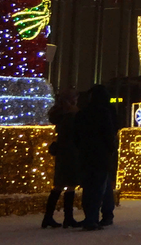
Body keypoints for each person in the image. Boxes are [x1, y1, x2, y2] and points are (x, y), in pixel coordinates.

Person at [74, 84, 119, 230]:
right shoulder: (106, 112)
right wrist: (111, 149)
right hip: (102, 155)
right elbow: (110, 132)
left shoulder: (83, 113)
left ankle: (91, 217)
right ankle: (102, 216)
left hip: (86, 154)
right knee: (101, 186)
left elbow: (76, 135)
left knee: (90, 187)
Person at [41, 88, 81, 228]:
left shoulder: (59, 115)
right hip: (71, 152)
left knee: (58, 185)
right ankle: (68, 218)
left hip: (62, 152)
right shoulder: (72, 115)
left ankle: (48, 217)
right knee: (70, 185)